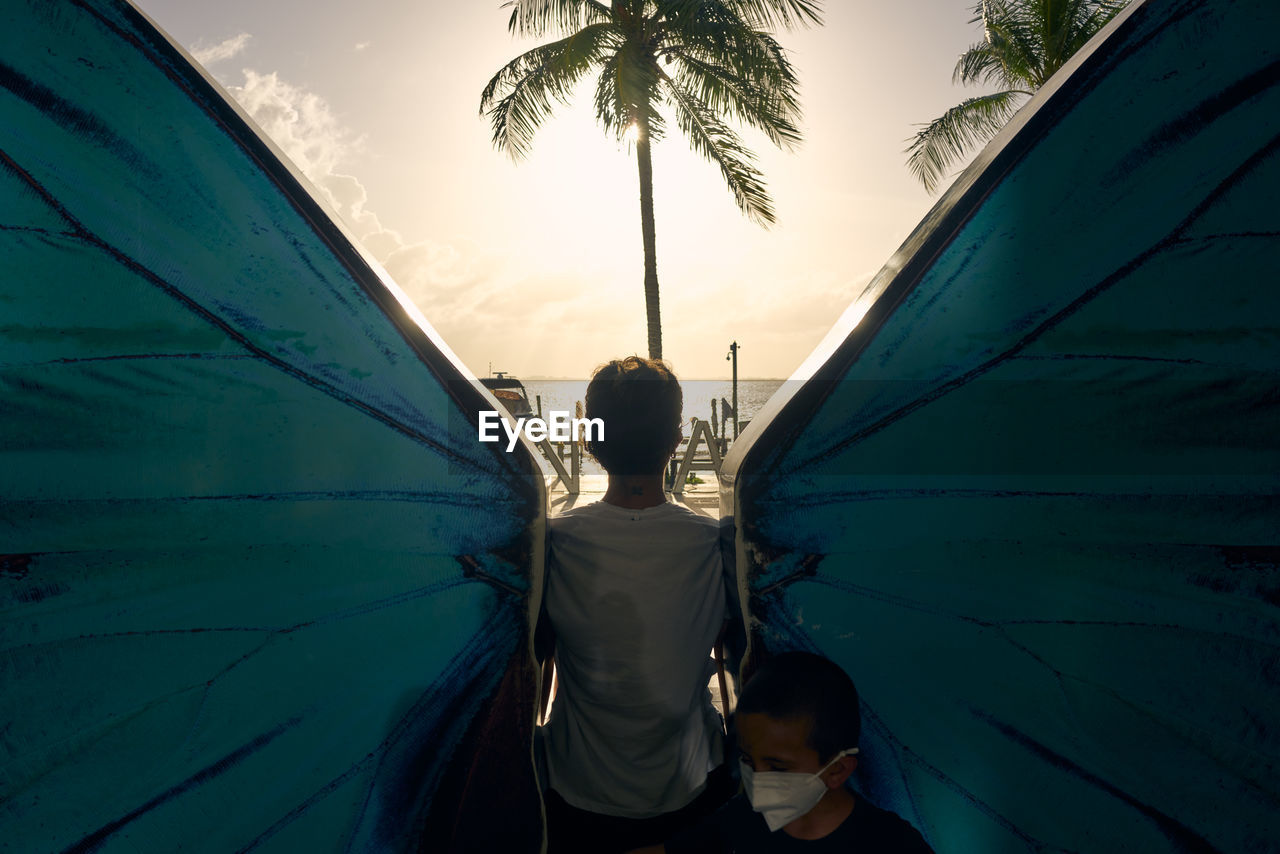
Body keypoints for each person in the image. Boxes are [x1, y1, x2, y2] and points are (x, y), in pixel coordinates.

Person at [539, 356, 737, 854]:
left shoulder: (555, 543)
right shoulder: (713, 543)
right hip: (691, 790)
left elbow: (535, 663)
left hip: (577, 792)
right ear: (676, 442)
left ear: (589, 441)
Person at [630, 651, 935, 853]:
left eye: (778, 767)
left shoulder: (892, 844)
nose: (756, 780)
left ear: (837, 770)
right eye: (747, 759)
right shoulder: (742, 818)